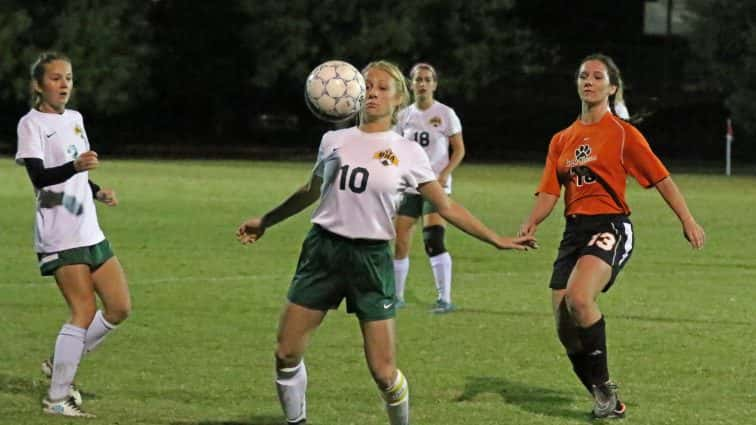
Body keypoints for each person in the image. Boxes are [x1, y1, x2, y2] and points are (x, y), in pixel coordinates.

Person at [237, 60, 535, 425]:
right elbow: (310, 191)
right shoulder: (334, 140)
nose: (373, 92)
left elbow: (445, 205)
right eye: (367, 86)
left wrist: (495, 239)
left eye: (381, 87)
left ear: (398, 100)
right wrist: (266, 220)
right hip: (323, 252)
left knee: (383, 372)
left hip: (372, 260)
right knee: (285, 352)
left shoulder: (408, 152)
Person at [519, 53, 705, 419]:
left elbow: (661, 177)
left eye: (597, 76)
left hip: (611, 226)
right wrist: (532, 221)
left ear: (612, 87)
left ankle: (604, 390)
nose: (588, 80)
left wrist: (687, 219)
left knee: (579, 298)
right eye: (582, 74)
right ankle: (604, 397)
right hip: (574, 232)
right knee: (564, 328)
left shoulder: (622, 133)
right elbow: (549, 192)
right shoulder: (562, 139)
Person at [15, 52, 131, 418]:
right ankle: (57, 399)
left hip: (88, 228)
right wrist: (75, 165)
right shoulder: (31, 124)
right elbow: (40, 177)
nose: (64, 84)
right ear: (38, 85)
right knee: (83, 311)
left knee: (119, 308)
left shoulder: (76, 118)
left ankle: (61, 361)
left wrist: (96, 190)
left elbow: (77, 172)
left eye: (68, 77)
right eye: (55, 78)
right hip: (60, 232)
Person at [392, 63, 465, 313]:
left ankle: (444, 299)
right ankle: (397, 297)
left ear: (434, 84)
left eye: (427, 79)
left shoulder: (445, 113)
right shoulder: (403, 116)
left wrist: (445, 174)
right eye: (417, 79)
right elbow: (396, 150)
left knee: (433, 239)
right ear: (411, 84)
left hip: (434, 185)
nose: (422, 84)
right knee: (400, 241)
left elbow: (459, 149)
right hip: (409, 186)